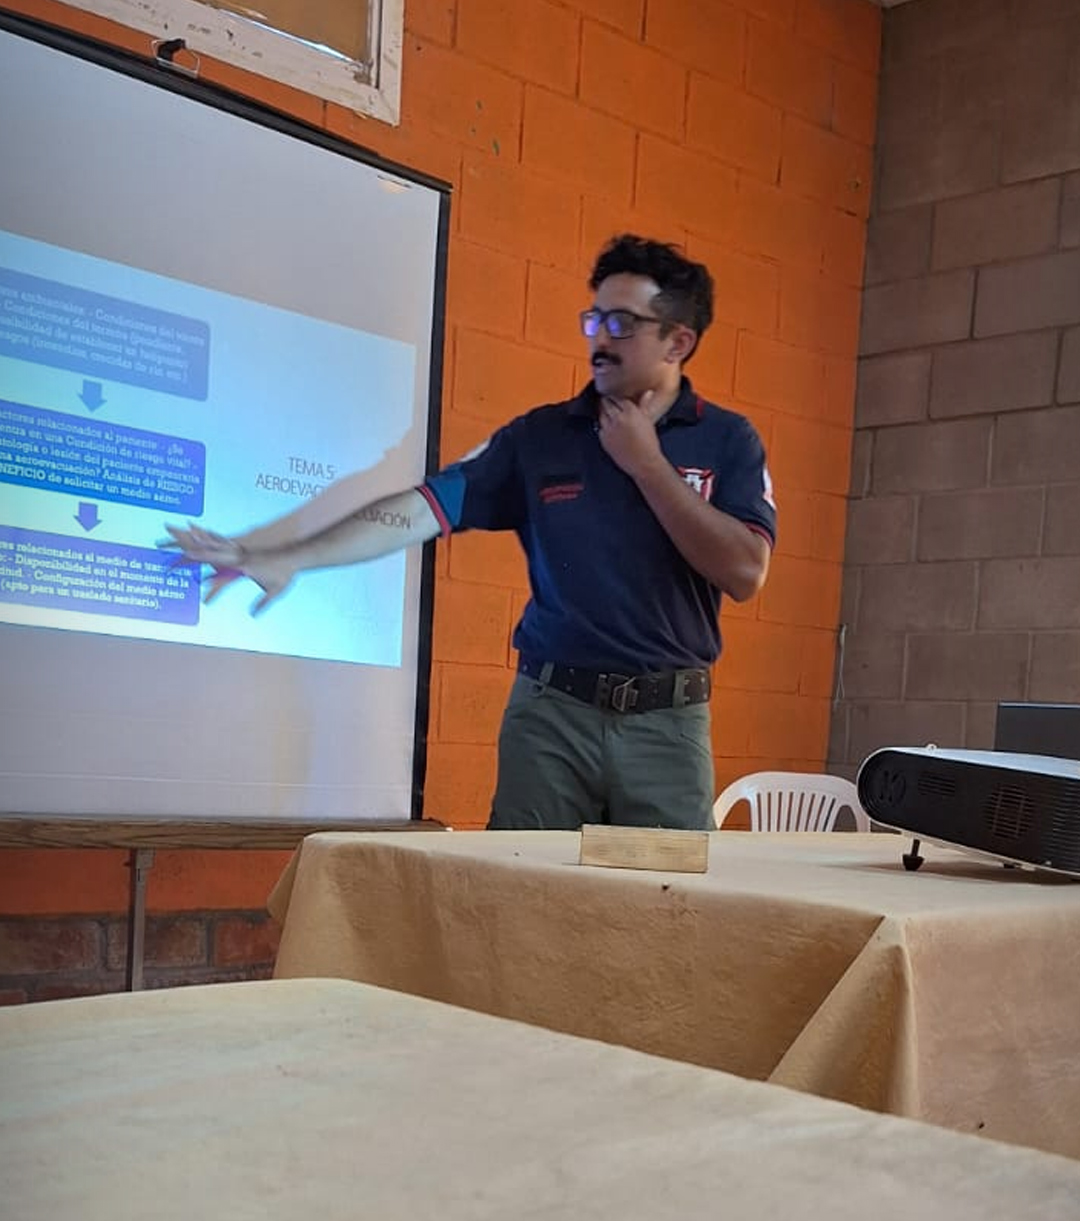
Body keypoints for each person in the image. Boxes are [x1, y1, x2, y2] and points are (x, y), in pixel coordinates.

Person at [165, 235, 777, 830]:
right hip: (552, 717)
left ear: (678, 341)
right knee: (522, 888)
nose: (598, 340)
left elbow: (746, 572)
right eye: (594, 320)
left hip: (667, 724)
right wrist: (289, 557)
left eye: (622, 324)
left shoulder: (728, 440)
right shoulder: (539, 437)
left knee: (671, 896)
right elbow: (421, 509)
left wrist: (646, 465)